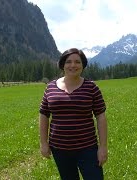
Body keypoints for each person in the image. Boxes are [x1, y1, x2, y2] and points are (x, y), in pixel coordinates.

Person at [39, 48, 108, 180]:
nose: (73, 65)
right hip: (59, 149)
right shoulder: (50, 88)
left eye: (77, 62)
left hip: (87, 148)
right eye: (68, 62)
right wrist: (43, 143)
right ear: (62, 65)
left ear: (83, 65)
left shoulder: (91, 88)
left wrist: (103, 147)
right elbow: (43, 115)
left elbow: (101, 117)